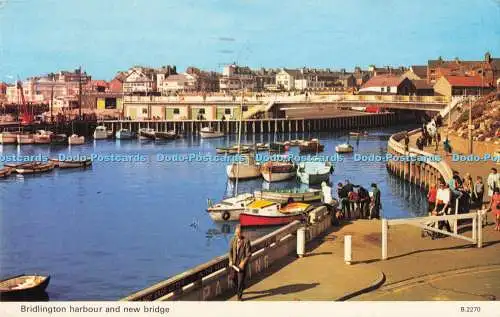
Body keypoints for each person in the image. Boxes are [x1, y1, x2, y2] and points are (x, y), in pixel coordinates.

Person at [228, 225, 251, 301]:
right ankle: (241, 287)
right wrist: (230, 260)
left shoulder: (246, 241)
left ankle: (239, 297)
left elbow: (249, 254)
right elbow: (230, 252)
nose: (237, 234)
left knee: (240, 280)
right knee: (233, 278)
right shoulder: (232, 240)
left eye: (238, 233)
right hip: (234, 264)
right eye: (236, 233)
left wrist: (243, 263)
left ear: (242, 233)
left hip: (241, 264)